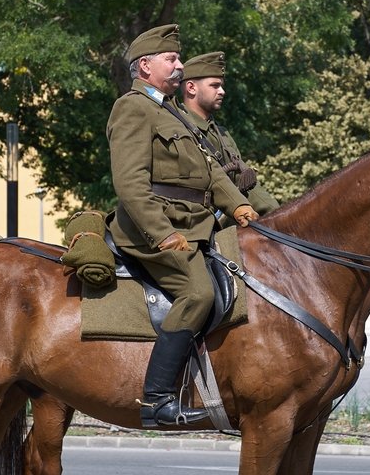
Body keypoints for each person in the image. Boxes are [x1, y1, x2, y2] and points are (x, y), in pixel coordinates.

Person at [106, 24, 259, 427]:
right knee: (198, 292)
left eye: (178, 58)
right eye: (171, 59)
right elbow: (130, 185)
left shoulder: (171, 111)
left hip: (195, 227)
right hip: (151, 232)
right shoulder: (132, 107)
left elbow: (211, 173)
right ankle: (156, 400)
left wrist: (241, 208)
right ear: (145, 66)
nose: (179, 65)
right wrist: (163, 233)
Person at [179, 51, 279, 218]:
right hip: (192, 221)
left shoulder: (221, 134)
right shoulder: (178, 128)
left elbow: (246, 183)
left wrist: (278, 214)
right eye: (215, 86)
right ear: (191, 88)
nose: (222, 91)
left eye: (222, 86)